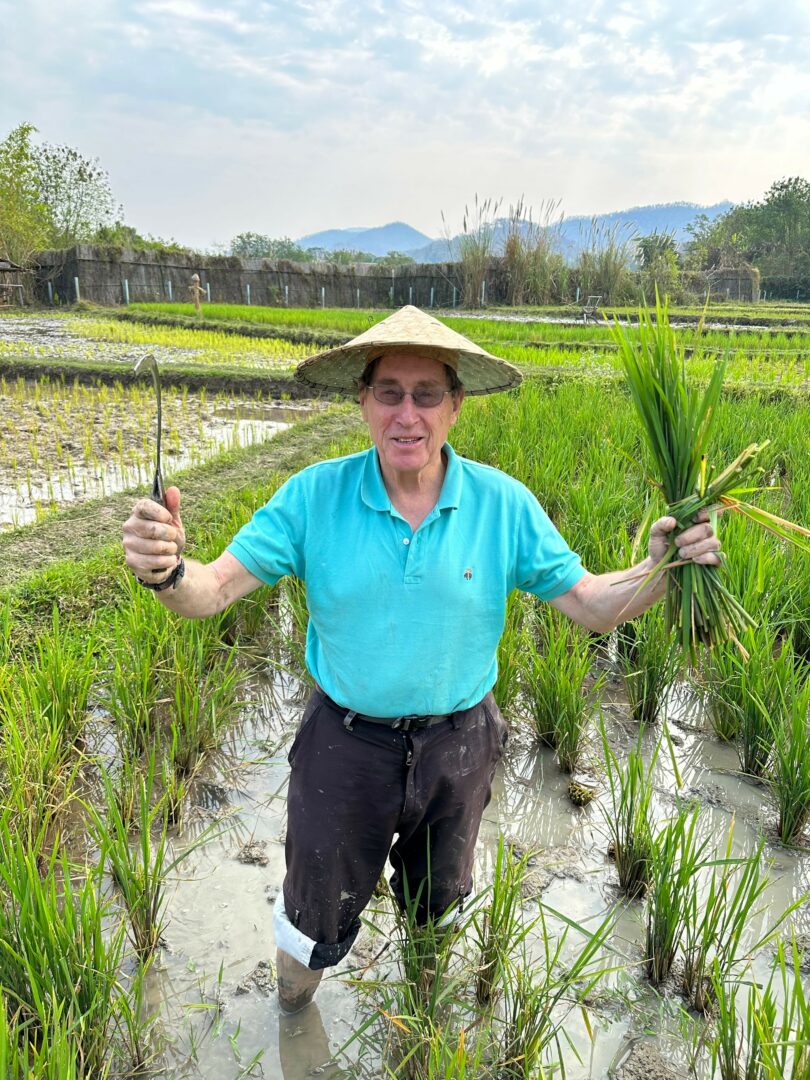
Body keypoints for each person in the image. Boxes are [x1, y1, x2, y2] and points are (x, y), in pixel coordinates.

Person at [122, 305, 721, 1014]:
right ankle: (292, 1017)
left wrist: (660, 569)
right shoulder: (314, 495)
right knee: (311, 921)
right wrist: (166, 570)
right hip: (344, 747)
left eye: (426, 394)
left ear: (455, 406)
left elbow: (593, 603)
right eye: (390, 393)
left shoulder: (503, 504)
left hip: (458, 747)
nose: (407, 414)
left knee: (435, 914)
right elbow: (212, 589)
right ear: (363, 401)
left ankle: (422, 1023)